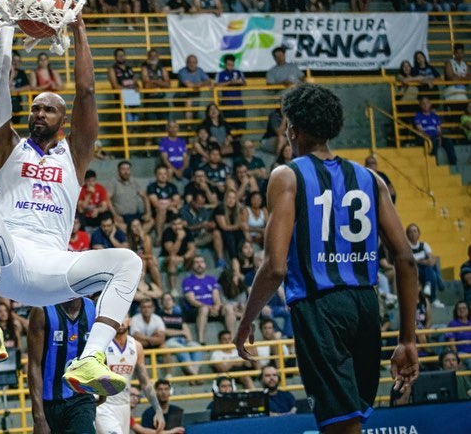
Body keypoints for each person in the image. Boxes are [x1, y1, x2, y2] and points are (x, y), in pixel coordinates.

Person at [0, 17, 140, 396]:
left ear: (64, 120)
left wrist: (79, 28)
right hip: (8, 262)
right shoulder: (6, 147)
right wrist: (8, 28)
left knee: (129, 261)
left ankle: (91, 359)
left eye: (48, 109)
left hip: (53, 271)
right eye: (34, 108)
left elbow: (87, 90)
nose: (38, 114)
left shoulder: (75, 155)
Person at [235, 83, 419, 434]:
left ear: (293, 129)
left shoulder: (287, 175)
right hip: (366, 306)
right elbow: (406, 260)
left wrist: (247, 319)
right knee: (352, 421)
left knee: (339, 427)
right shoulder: (371, 178)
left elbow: (275, 267)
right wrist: (408, 339)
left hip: (320, 307)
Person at [29, 297, 98, 434]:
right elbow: (34, 365)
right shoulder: (42, 311)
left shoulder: (94, 309)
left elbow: (99, 350)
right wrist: (39, 417)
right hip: (50, 403)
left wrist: (101, 386)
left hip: (81, 398)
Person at [95, 316, 165, 434]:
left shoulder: (136, 346)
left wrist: (158, 410)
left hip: (124, 405)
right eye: (117, 317)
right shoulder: (102, 345)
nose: (121, 321)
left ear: (129, 320)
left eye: (124, 317)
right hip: (104, 406)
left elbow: (145, 382)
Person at [182, 256, 235, 345]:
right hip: (195, 309)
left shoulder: (212, 279)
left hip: (212, 308)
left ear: (205, 264)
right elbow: (192, 301)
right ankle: (201, 340)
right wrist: (209, 307)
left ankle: (233, 338)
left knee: (229, 308)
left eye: (201, 262)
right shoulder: (188, 281)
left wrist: (217, 306)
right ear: (192, 266)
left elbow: (216, 297)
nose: (199, 264)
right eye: (196, 262)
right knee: (204, 309)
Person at [407, 223, 445, 309]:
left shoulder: (424, 245)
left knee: (432, 272)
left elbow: (432, 259)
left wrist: (423, 261)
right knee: (433, 274)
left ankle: (429, 286)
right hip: (415, 270)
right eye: (410, 232)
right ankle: (434, 297)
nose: (413, 234)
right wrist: (423, 261)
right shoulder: (406, 247)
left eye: (415, 231)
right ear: (407, 235)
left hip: (426, 270)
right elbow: (411, 262)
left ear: (419, 233)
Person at [415, 96, 458, 166]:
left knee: (448, 141)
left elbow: (439, 129)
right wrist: (429, 137)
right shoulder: (418, 116)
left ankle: (453, 162)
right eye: (423, 103)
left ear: (430, 104)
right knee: (433, 141)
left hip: (436, 136)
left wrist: (440, 137)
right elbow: (419, 129)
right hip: (425, 138)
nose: (425, 105)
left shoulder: (435, 116)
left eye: (427, 103)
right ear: (420, 105)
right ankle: (434, 163)